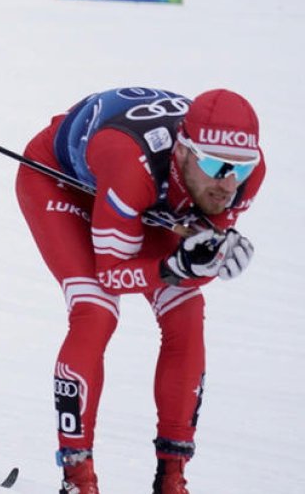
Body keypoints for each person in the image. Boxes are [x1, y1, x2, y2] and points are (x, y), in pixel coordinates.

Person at [15, 88, 264, 494]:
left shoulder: (236, 178)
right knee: (96, 310)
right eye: (217, 165)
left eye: (243, 167)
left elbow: (195, 262)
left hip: (146, 201)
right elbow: (114, 274)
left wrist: (207, 260)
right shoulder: (129, 158)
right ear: (184, 151)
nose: (229, 184)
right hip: (63, 182)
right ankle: (77, 480)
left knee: (185, 311)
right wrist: (178, 265)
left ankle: (172, 478)